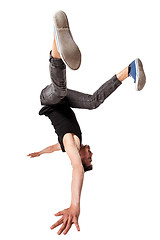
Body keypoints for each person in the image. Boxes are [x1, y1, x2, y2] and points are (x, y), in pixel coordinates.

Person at [27, 10, 146, 235]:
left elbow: (76, 169)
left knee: (59, 89)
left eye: (88, 160)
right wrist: (40, 153)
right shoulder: (68, 144)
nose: (91, 155)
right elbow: (55, 148)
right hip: (64, 101)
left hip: (50, 99)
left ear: (80, 159)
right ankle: (130, 69)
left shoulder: (71, 145)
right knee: (92, 102)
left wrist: (75, 205)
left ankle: (56, 36)